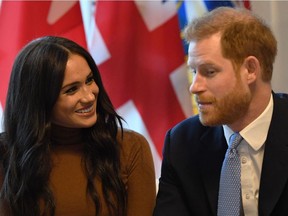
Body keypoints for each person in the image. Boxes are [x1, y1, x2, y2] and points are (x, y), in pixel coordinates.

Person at [154, 6, 288, 216]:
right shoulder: (181, 143)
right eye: (194, 71)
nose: (194, 86)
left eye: (209, 71)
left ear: (250, 70)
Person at [0, 36, 156, 216]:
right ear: (39, 100)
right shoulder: (5, 152)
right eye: (71, 89)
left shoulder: (130, 147)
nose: (89, 97)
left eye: (89, 80)